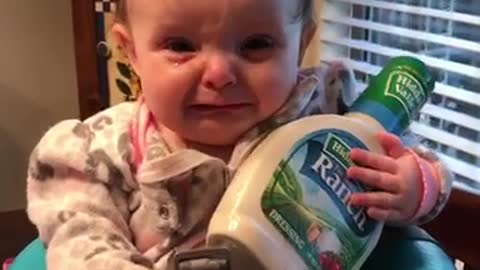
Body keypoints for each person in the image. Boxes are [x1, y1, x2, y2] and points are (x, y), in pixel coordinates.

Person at [26, 0, 452, 269]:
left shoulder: (326, 109)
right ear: (131, 50)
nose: (219, 74)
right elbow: (81, 239)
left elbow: (400, 157)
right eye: (180, 45)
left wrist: (413, 186)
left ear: (302, 43)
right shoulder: (99, 150)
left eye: (255, 44)